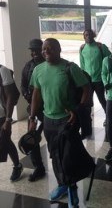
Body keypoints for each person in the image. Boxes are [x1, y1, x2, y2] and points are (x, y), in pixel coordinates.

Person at [29, 38, 90, 207]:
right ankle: (62, 185)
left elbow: (86, 89)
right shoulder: (38, 70)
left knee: (67, 158)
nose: (46, 51)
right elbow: (36, 94)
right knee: (54, 155)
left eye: (50, 48)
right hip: (48, 121)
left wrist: (77, 110)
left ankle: (72, 191)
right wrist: (32, 118)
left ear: (59, 49)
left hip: (67, 121)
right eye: (44, 49)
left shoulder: (70, 68)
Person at [21, 38, 45, 182]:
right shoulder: (28, 66)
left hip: (49, 110)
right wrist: (26, 95)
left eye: (37, 50)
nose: (34, 53)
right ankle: (39, 167)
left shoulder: (48, 64)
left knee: (55, 139)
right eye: (32, 50)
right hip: (34, 109)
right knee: (31, 138)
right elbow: (23, 84)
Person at [80, 29, 111, 126]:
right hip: (88, 81)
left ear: (93, 35)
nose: (88, 36)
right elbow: (82, 65)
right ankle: (87, 120)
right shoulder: (82, 48)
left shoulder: (100, 47)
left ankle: (108, 118)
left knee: (102, 100)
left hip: (99, 80)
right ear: (84, 37)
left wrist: (107, 74)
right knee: (87, 102)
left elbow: (110, 59)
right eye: (86, 35)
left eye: (90, 34)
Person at [0, 64, 23, 182]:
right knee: (6, 141)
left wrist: (8, 119)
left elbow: (10, 95)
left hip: (2, 116)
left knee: (5, 141)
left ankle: (17, 166)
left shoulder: (3, 71)